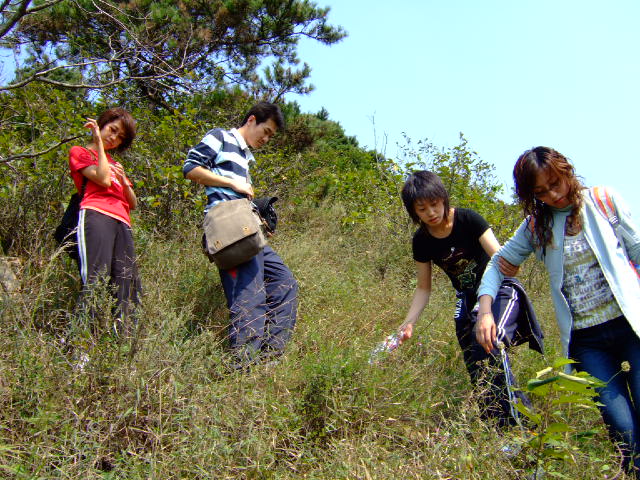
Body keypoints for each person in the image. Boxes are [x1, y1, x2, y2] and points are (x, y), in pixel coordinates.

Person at [476, 146, 640, 476]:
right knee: (623, 430)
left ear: (566, 171)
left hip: (632, 326)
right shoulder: (537, 227)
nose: (553, 195)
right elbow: (498, 264)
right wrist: (485, 311)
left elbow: (637, 250)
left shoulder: (604, 201)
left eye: (555, 183)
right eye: (541, 192)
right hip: (588, 343)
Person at [397, 171, 543, 427]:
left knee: (488, 345)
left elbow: (499, 258)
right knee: (476, 366)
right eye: (422, 209)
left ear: (443, 198)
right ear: (413, 211)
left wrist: (512, 265)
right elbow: (423, 288)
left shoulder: (468, 219)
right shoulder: (421, 240)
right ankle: (501, 430)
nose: (431, 212)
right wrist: (409, 322)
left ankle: (519, 428)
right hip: (466, 298)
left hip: (499, 288)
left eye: (434, 204)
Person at [183, 102, 298, 368]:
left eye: (271, 136)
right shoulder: (221, 137)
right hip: (229, 229)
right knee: (250, 294)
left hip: (246, 229)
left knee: (284, 282)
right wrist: (233, 183)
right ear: (252, 120)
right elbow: (190, 168)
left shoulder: (245, 157)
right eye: (266, 131)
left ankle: (269, 358)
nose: (266, 139)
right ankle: (243, 366)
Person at [68, 107, 140, 335]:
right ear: (102, 124)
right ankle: (80, 342)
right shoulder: (80, 152)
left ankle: (123, 341)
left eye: (120, 137)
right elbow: (103, 180)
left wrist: (124, 181)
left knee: (126, 281)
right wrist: (98, 142)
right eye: (112, 130)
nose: (113, 138)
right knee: (96, 277)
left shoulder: (114, 164)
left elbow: (133, 203)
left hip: (122, 221)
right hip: (96, 214)